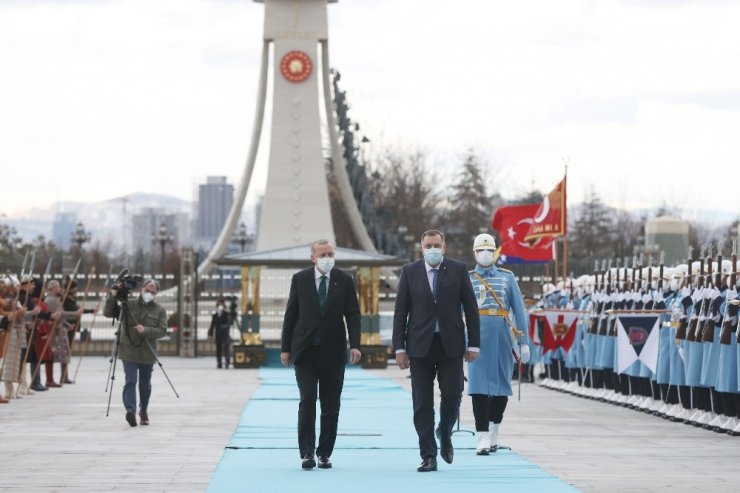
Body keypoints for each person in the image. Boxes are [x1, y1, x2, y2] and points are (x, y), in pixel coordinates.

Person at [392, 229, 480, 472]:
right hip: (420, 347)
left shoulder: (458, 270)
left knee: (453, 396)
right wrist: (399, 347)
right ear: (422, 248)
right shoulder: (410, 272)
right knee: (422, 402)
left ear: (444, 247)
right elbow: (401, 312)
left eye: (436, 245)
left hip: (450, 345)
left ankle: (445, 431)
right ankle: (428, 455)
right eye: (428, 245)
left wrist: (474, 343)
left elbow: (471, 309)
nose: (432, 249)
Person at [280, 239, 362, 470]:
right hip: (305, 352)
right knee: (307, 400)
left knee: (331, 404)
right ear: (313, 257)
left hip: (333, 353)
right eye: (323, 254)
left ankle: (324, 452)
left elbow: (353, 315)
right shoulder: (300, 279)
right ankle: (307, 452)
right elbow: (291, 315)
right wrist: (286, 348)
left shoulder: (344, 280)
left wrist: (355, 344)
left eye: (330, 253)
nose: (327, 257)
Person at [466, 234, 530, 455]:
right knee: (478, 387)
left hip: (503, 335)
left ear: (494, 253)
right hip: (476, 338)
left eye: (489, 250)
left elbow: (519, 311)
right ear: (474, 253)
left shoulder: (507, 277)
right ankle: (482, 435)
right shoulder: (468, 278)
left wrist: (524, 342)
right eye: (481, 250)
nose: (486, 254)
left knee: (502, 386)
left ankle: (494, 431)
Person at [103, 278, 167, 427]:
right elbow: (108, 313)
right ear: (141, 289)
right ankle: (130, 411)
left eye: (152, 292)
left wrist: (146, 330)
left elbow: (162, 330)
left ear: (156, 293)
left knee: (145, 384)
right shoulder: (128, 304)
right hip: (129, 350)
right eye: (147, 290)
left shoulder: (159, 310)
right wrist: (113, 295)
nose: (149, 293)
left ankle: (143, 410)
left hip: (147, 352)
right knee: (130, 380)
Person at [208, 298, 232, 368]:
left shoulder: (227, 314)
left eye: (221, 304)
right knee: (218, 349)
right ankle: (219, 362)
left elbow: (229, 324)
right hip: (218, 334)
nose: (220, 306)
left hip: (225, 334)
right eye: (219, 304)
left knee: (226, 348)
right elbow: (212, 325)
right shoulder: (215, 315)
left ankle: (227, 362)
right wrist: (210, 334)